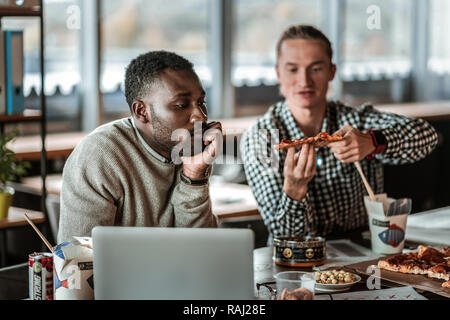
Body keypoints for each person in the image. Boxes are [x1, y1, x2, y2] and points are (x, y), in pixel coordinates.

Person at [241, 25, 438, 242]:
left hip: (364, 252)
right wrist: (294, 190)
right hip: (298, 261)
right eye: (293, 69)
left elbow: (428, 136)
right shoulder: (261, 138)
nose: (305, 81)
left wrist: (373, 141)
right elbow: (284, 237)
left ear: (331, 72)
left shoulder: (355, 120)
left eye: (316, 69)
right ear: (278, 73)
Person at [58, 50, 221, 243]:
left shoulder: (191, 150)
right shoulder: (99, 155)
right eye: (181, 105)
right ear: (142, 112)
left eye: (201, 102)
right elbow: (79, 262)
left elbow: (202, 250)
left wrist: (194, 178)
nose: (200, 116)